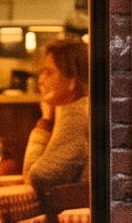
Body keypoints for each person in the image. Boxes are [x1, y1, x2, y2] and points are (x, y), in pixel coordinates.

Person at [20, 36, 92, 194]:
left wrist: (44, 123)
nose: (41, 80)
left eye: (49, 72)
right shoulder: (81, 110)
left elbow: (38, 178)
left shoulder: (76, 115)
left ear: (72, 81)